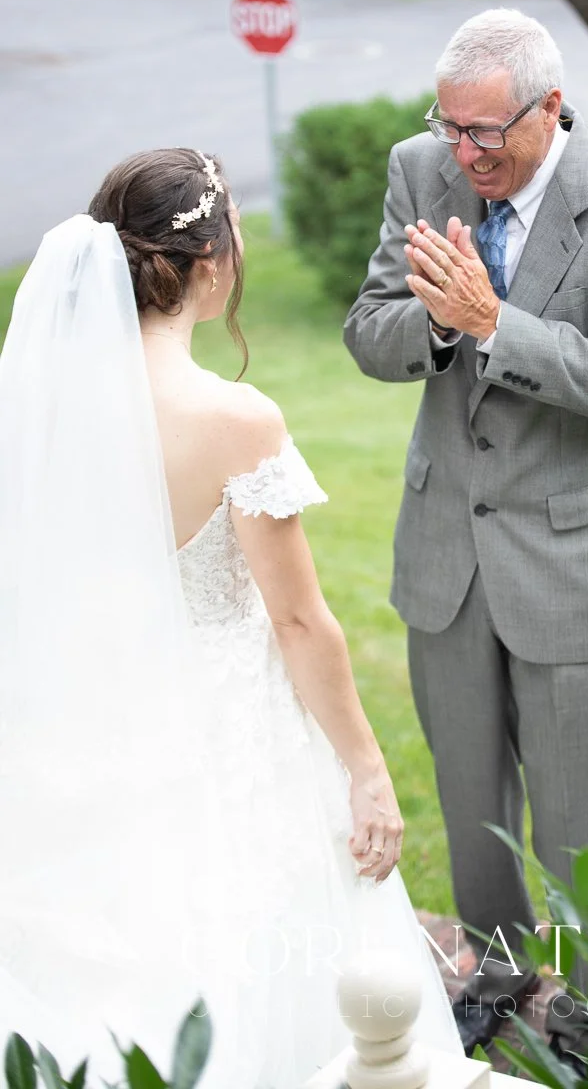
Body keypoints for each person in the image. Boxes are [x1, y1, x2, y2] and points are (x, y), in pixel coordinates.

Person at [0, 148, 461, 1089]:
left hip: (82, 716)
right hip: (226, 722)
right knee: (250, 939)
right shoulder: (234, 418)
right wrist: (367, 770)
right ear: (210, 262)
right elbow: (299, 624)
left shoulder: (36, 400)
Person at [344, 8, 588, 1076]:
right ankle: (495, 976)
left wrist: (499, 325)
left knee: (584, 814)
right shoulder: (422, 170)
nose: (465, 154)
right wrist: (440, 324)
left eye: (487, 134)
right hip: (446, 549)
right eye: (450, 129)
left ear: (550, 110)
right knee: (468, 792)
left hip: (571, 560)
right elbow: (370, 327)